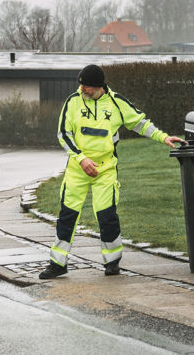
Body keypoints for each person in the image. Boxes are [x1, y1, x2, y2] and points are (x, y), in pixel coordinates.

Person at [40, 64, 183, 279]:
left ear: (99, 87)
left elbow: (140, 124)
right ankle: (58, 263)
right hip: (77, 170)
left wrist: (164, 137)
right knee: (67, 216)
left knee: (107, 216)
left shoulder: (117, 103)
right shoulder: (73, 102)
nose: (82, 90)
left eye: (86, 86)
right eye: (80, 85)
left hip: (105, 170)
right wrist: (81, 158)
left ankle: (112, 262)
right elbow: (63, 134)